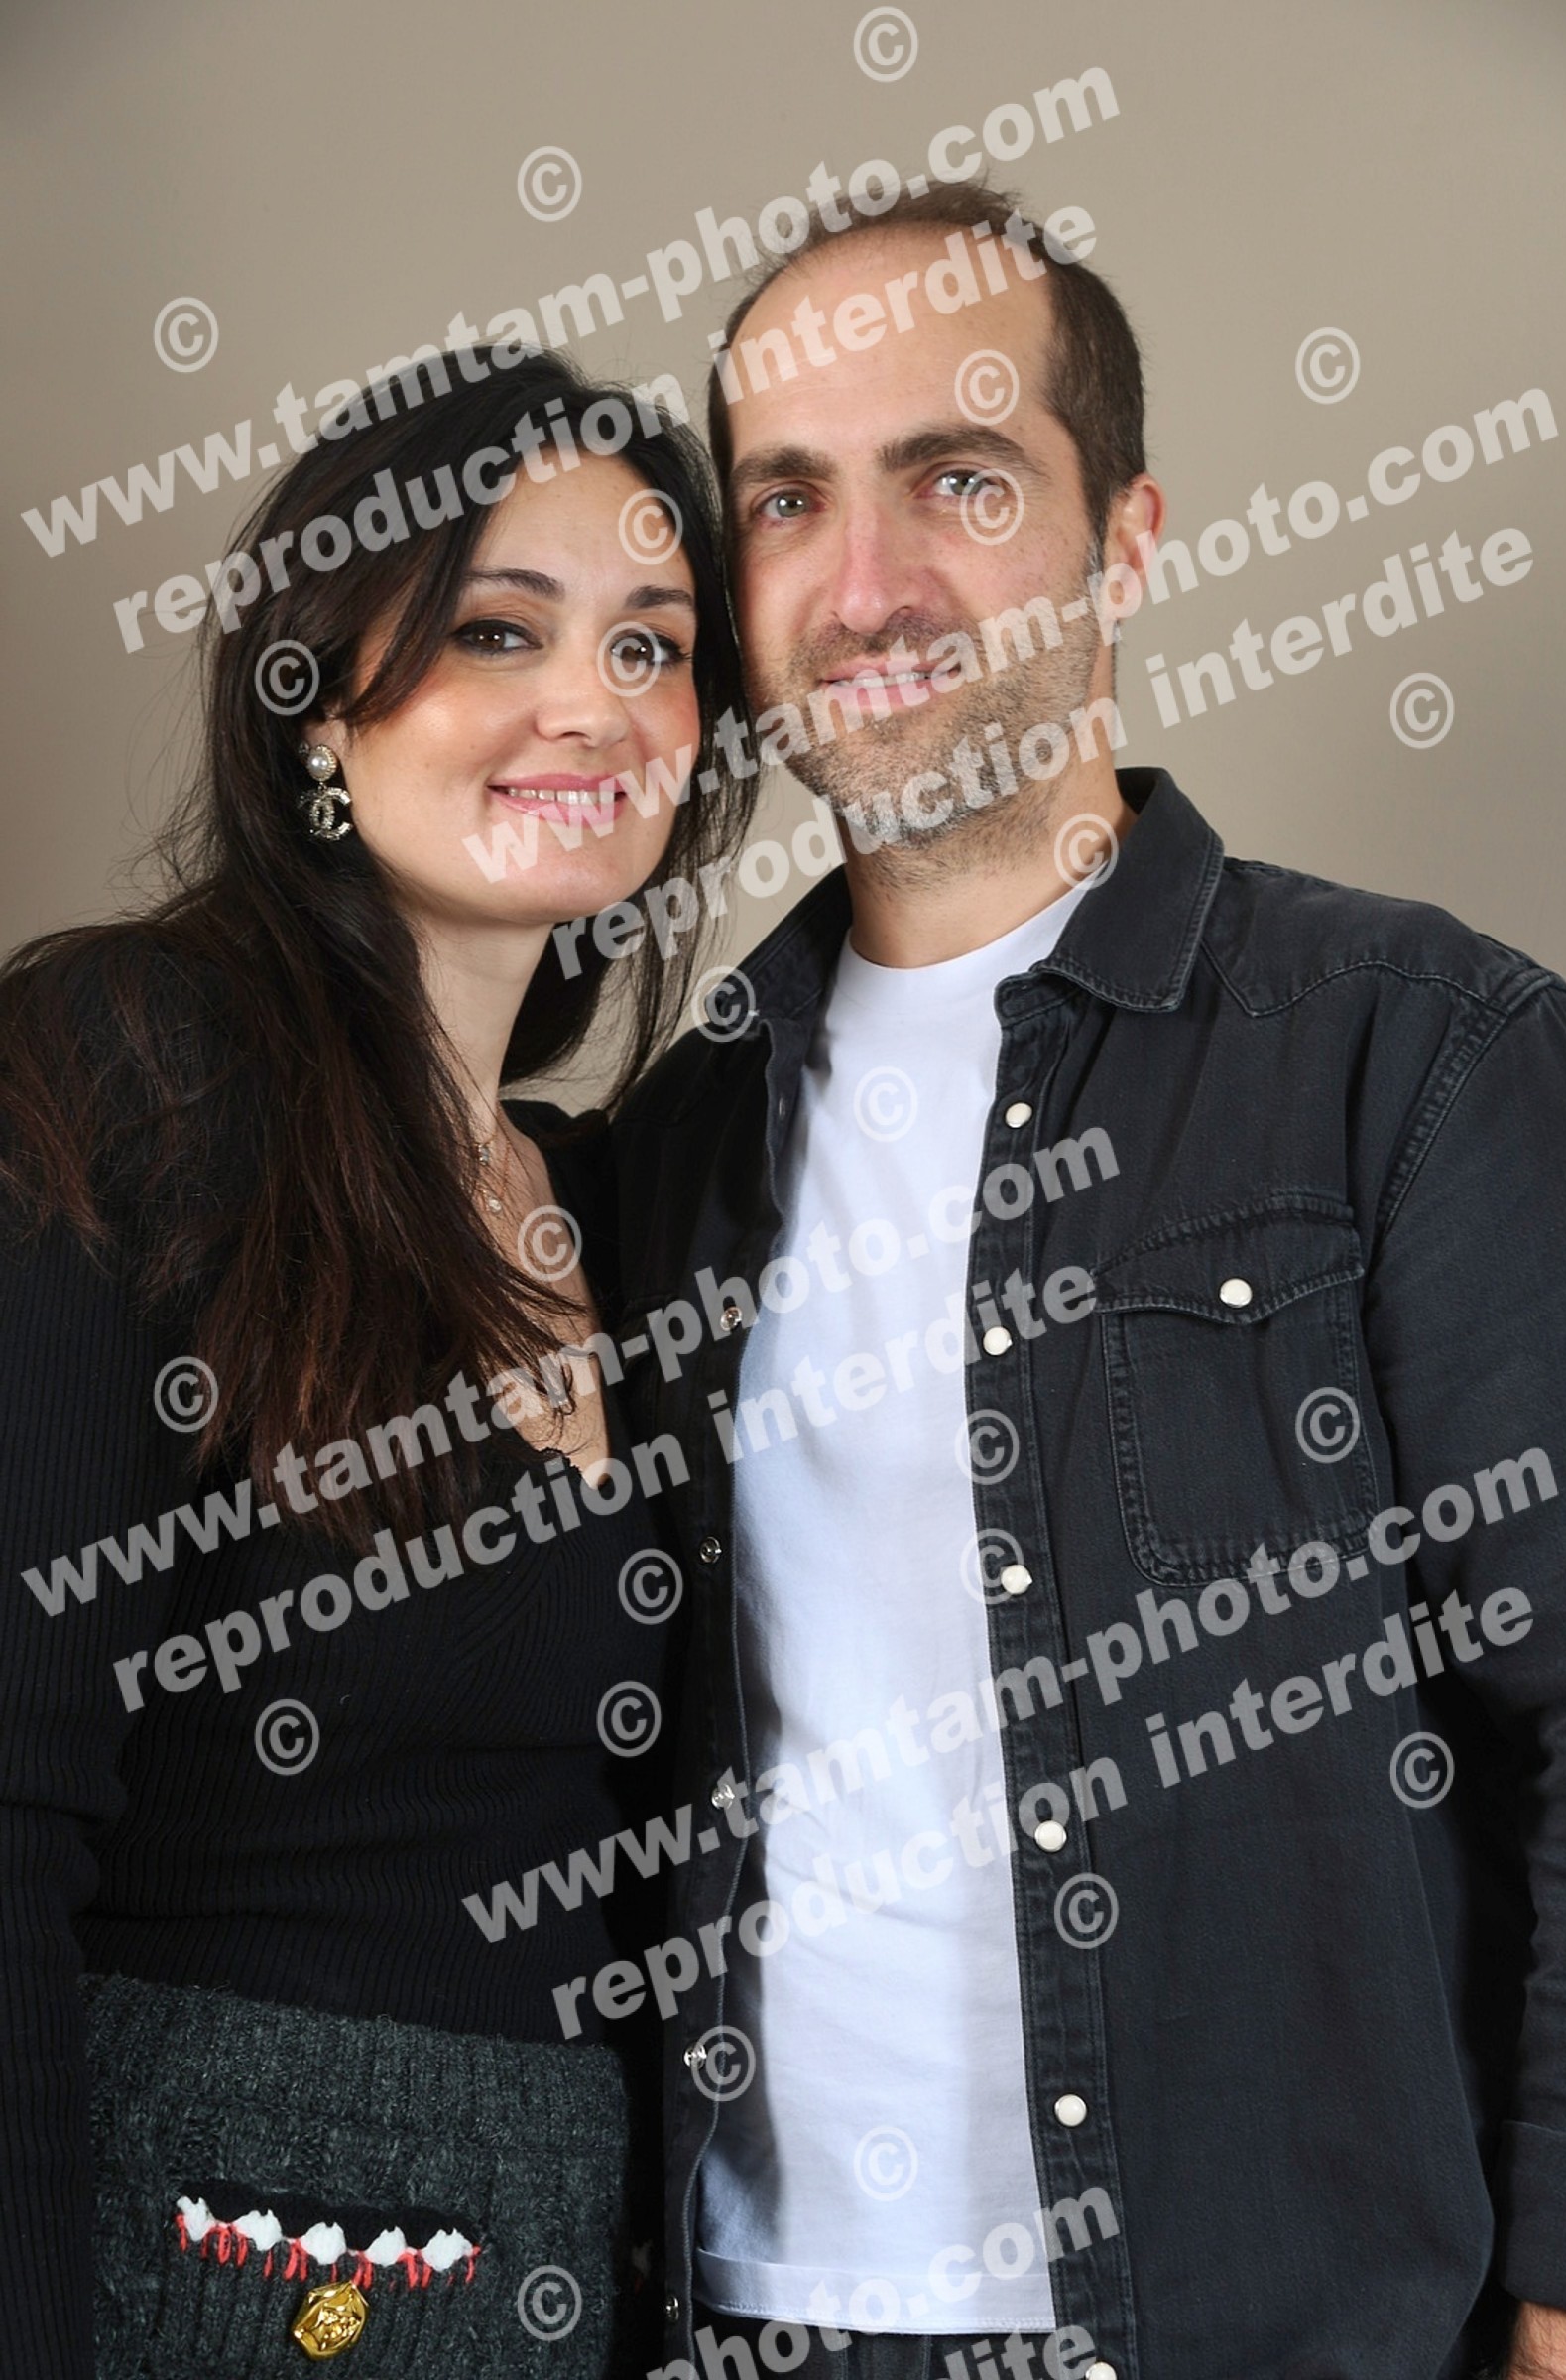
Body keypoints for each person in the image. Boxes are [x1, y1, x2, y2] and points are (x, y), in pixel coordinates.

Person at [608, 179, 1566, 2380]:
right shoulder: (674, 1150)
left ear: (1123, 539)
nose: (865, 583)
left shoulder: (1414, 1052)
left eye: (957, 479)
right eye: (787, 501)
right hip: (746, 2319)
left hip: (1268, 2326)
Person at [0, 343, 748, 2379]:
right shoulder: (129, 1074)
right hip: (199, 2274)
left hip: (558, 2273)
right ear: (319, 703)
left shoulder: (624, 1204)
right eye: (501, 630)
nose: (592, 702)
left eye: (653, 645)